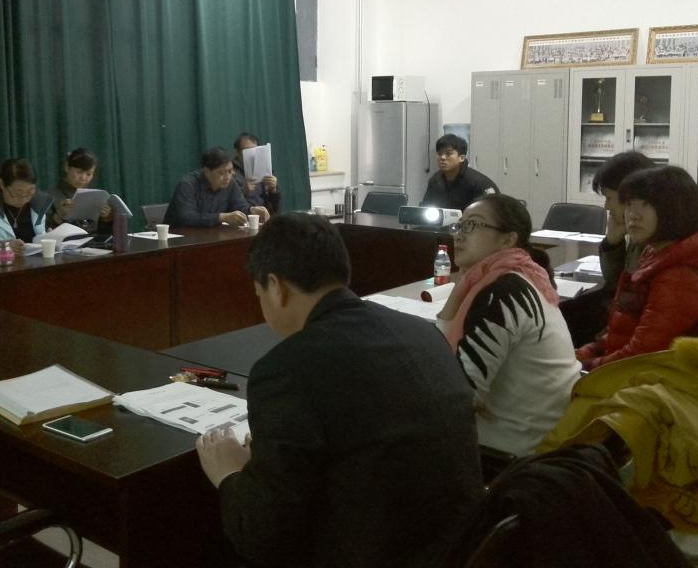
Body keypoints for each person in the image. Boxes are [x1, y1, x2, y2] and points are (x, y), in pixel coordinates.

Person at [195, 213, 483, 567]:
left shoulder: (285, 370)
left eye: (259, 294)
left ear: (275, 286)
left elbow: (263, 536)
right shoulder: (424, 334)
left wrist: (230, 473)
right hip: (463, 548)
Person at [436, 194, 580, 459]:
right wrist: (457, 293)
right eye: (459, 225)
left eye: (472, 225)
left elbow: (456, 393)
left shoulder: (504, 293)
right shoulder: (516, 276)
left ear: (508, 239)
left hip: (514, 452)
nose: (458, 235)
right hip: (539, 433)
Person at [576, 166, 698, 371]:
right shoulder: (660, 252)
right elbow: (622, 330)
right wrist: (584, 354)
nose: (633, 215)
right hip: (634, 372)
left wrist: (583, 366)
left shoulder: (679, 278)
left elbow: (639, 358)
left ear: (676, 208)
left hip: (644, 380)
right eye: (629, 204)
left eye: (646, 205)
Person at [559, 151, 655, 346]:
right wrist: (613, 242)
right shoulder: (640, 236)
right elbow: (616, 281)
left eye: (609, 198)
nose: (606, 207)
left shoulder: (653, 243)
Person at [164, 147, 270, 227]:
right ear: (207, 171)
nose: (227, 177)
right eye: (221, 173)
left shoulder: (231, 184)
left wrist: (252, 211)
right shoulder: (188, 184)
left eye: (230, 171)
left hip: (210, 237)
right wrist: (220, 217)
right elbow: (187, 217)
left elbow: (240, 207)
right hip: (179, 239)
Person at [420, 133, 498, 212]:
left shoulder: (479, 183)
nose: (442, 157)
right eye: (440, 154)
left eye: (448, 154)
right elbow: (425, 206)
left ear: (462, 158)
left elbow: (494, 211)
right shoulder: (436, 180)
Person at [47, 148, 112, 232]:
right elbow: (42, 232)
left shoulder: (95, 197)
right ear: (67, 167)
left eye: (89, 174)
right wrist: (58, 216)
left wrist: (106, 218)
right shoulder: (49, 197)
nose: (83, 178)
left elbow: (103, 234)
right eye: (79, 172)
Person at [231, 132, 281, 214]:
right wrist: (242, 192)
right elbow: (225, 203)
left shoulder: (264, 169)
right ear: (237, 152)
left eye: (255, 150)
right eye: (247, 151)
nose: (252, 154)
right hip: (244, 216)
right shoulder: (229, 171)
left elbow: (276, 208)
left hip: (265, 215)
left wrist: (274, 190)